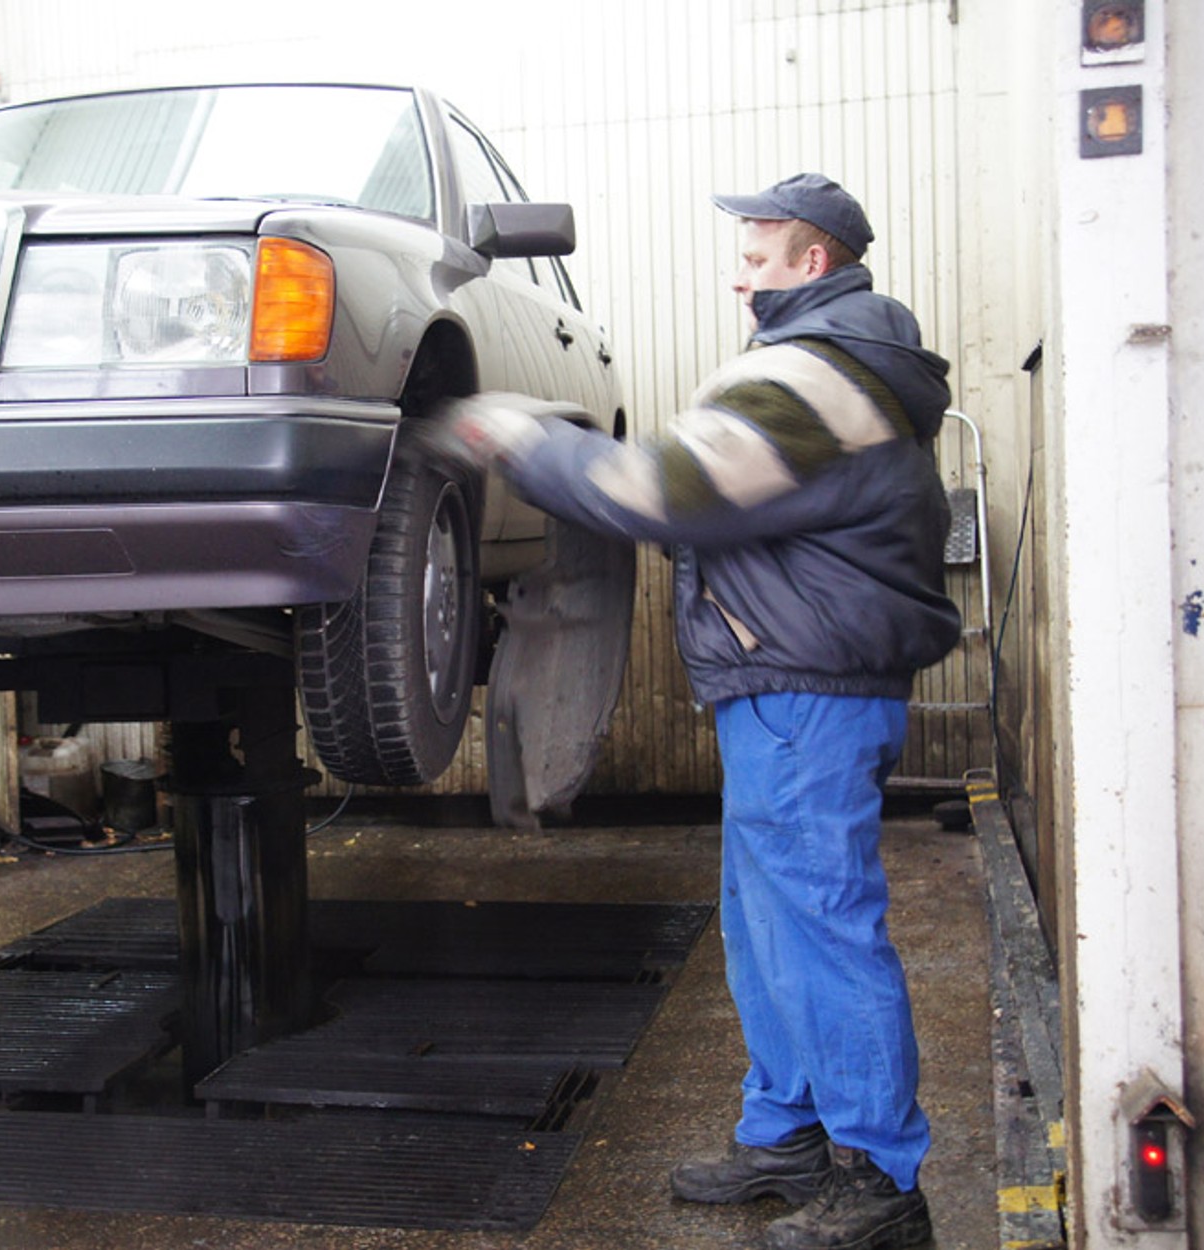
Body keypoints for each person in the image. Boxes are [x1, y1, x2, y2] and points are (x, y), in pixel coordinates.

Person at [441, 173, 958, 1250]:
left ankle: (878, 1178)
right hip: (783, 689)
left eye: (757, 257)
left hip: (806, 694)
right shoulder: (831, 363)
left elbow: (665, 489)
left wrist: (519, 437)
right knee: (765, 924)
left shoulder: (815, 374)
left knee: (820, 928)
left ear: (812, 261)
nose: (739, 276)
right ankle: (786, 1133)